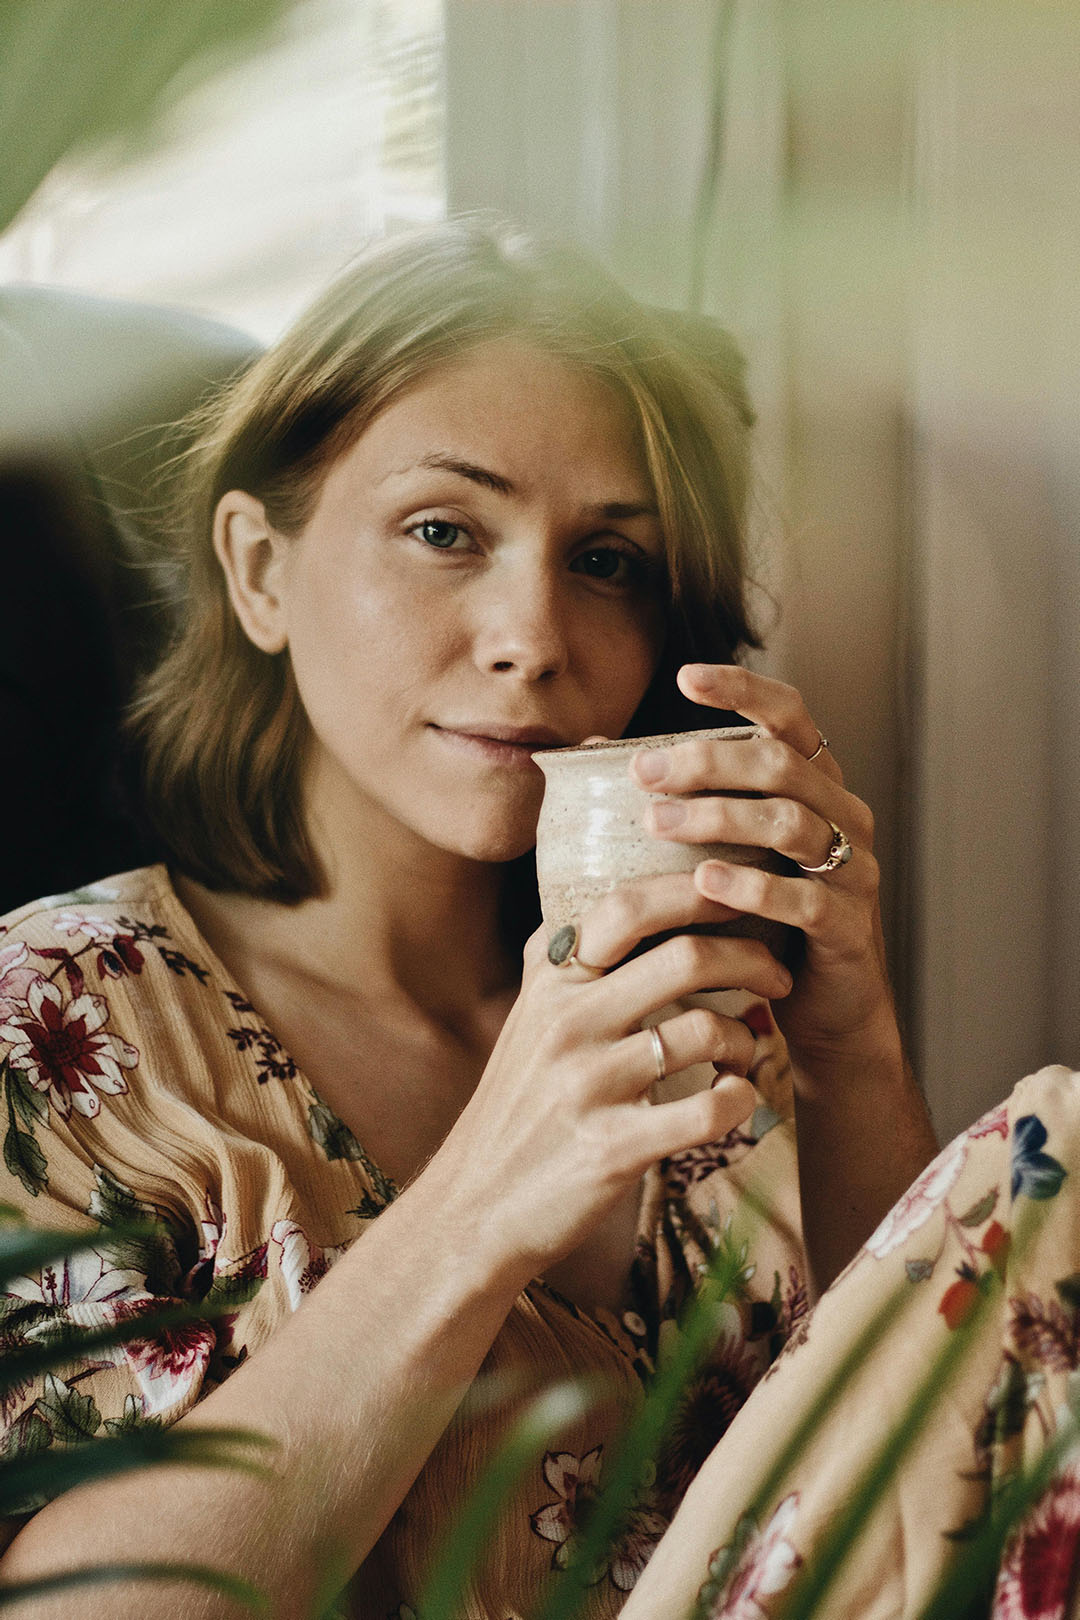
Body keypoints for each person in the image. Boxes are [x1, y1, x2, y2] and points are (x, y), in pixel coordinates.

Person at [0, 218, 941, 1619]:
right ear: (261, 571)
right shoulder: (52, 1029)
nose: (534, 635)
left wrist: (855, 1048)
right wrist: (486, 1202)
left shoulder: (716, 1033)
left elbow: (952, 1500)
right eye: (445, 531)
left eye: (609, 561)